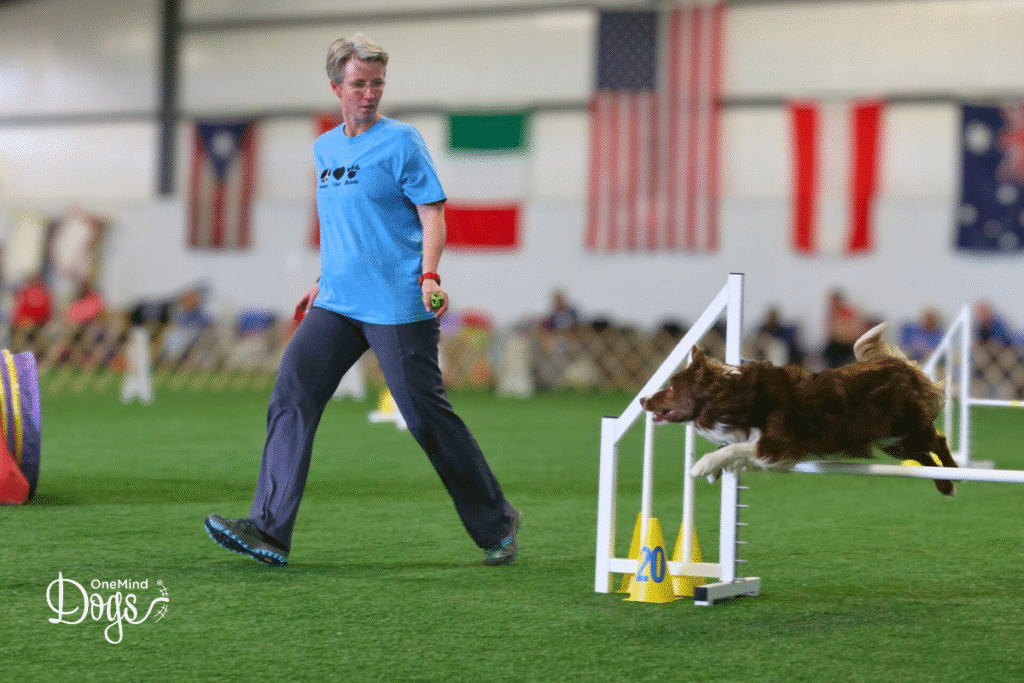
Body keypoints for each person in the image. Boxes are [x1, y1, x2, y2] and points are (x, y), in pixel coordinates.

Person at [205, 33, 520, 567]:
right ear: (336, 87)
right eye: (358, 84)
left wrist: (430, 274)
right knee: (291, 396)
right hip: (337, 301)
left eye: (377, 84)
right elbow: (341, 225)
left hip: (398, 303)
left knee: (424, 417)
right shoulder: (323, 149)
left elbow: (432, 214)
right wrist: (321, 281)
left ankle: (497, 523)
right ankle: (269, 531)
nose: (369, 93)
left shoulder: (402, 142)